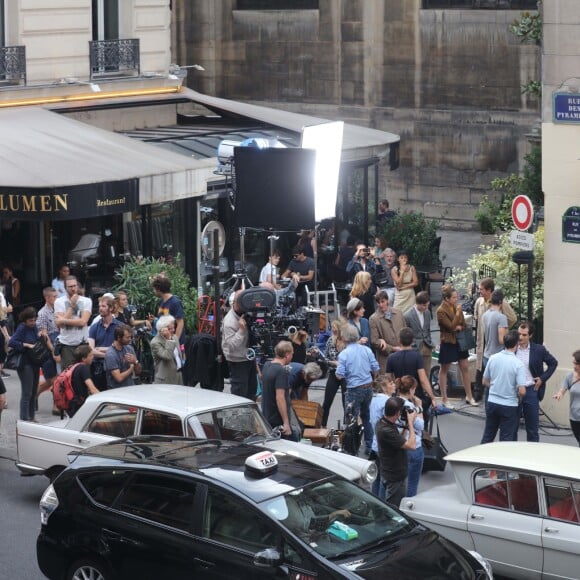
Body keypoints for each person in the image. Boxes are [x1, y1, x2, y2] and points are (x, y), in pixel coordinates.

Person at [335, 323, 380, 455]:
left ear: (344, 338)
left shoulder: (344, 354)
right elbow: (376, 368)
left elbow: (339, 375)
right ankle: (370, 445)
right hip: (368, 387)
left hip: (354, 389)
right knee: (367, 417)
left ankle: (352, 449)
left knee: (351, 420)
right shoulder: (366, 350)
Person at [385, 327, 438, 429]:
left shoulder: (392, 358)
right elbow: (423, 380)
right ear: (413, 340)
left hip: (399, 396)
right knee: (420, 424)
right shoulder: (417, 356)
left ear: (399, 340)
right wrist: (432, 397)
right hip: (416, 395)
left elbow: (388, 379)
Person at [473, 277, 517, 399]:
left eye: (481, 289)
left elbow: (512, 318)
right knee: (480, 365)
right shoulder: (479, 302)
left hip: (495, 344)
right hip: (483, 340)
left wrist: (502, 327)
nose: (479, 291)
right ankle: (478, 392)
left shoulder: (503, 304)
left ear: (489, 290)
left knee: (489, 372)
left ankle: (484, 395)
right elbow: (477, 317)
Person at [481, 330, 527, 443]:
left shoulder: (493, 358)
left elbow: (484, 381)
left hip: (492, 402)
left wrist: (494, 386)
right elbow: (522, 391)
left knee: (488, 435)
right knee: (506, 439)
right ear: (516, 344)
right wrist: (518, 398)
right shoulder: (518, 364)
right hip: (509, 405)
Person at [516, 320, 558, 442]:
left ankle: (533, 454)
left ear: (530, 336)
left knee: (532, 429)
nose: (520, 337)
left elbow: (553, 363)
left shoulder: (538, 350)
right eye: (519, 334)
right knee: (512, 427)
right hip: (515, 390)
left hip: (531, 390)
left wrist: (542, 378)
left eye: (524, 335)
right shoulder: (512, 348)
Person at [436, 284, 477, 408]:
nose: (456, 299)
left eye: (456, 297)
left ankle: (469, 396)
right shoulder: (441, 311)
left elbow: (463, 324)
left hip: (459, 341)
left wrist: (459, 324)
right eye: (454, 297)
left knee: (464, 366)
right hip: (448, 341)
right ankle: (444, 398)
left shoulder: (455, 307)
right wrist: (458, 314)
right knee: (444, 369)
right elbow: (451, 326)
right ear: (446, 299)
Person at [375, 396, 417, 507]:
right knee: (394, 509)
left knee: (386, 506)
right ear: (398, 413)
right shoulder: (386, 430)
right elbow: (412, 446)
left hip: (388, 472)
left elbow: (398, 441)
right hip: (394, 477)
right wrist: (411, 424)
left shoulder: (382, 422)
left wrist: (406, 425)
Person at [9, 307, 46, 422]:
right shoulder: (22, 328)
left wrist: (40, 335)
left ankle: (32, 416)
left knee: (33, 391)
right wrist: (26, 345)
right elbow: (12, 342)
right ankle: (24, 419)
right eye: (30, 320)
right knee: (27, 392)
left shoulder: (33, 327)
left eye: (34, 320)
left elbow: (35, 339)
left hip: (34, 362)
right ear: (25, 320)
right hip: (25, 364)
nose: (33, 323)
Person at [221, 290, 257, 400]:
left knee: (251, 391)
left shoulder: (245, 313)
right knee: (240, 394)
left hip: (248, 357)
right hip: (237, 361)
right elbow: (231, 345)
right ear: (237, 303)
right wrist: (241, 331)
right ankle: (238, 416)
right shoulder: (230, 321)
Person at [260, 340, 299, 441]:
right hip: (277, 421)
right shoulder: (281, 371)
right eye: (291, 354)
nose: (292, 356)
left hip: (267, 417)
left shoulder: (267, 365)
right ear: (286, 354)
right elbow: (280, 398)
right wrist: (286, 423)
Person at [54, 275, 92, 370]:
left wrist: (63, 319)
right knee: (68, 374)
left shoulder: (86, 301)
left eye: (75, 286)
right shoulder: (59, 302)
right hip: (67, 344)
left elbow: (83, 321)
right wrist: (71, 306)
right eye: (70, 286)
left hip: (82, 343)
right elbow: (61, 325)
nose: (73, 289)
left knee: (84, 373)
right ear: (65, 287)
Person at [397, 376, 424, 497]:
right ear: (412, 390)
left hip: (399, 443)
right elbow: (420, 425)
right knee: (412, 482)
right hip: (413, 446)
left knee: (399, 481)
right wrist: (420, 408)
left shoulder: (393, 402)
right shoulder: (410, 406)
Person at [369, 375, 396, 498]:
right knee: (384, 480)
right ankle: (380, 504)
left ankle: (374, 500)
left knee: (378, 476)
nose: (394, 385)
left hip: (376, 442)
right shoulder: (387, 402)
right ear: (384, 388)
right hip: (385, 444)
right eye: (391, 384)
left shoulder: (374, 400)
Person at [35, 287, 59, 412]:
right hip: (47, 349)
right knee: (52, 379)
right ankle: (55, 405)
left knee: (55, 378)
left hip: (58, 345)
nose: (56, 298)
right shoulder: (42, 313)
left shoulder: (58, 309)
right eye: (54, 296)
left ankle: (36, 394)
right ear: (47, 298)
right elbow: (44, 335)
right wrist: (52, 350)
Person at [369, 290, 406, 371]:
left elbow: (405, 332)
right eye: (378, 302)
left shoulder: (398, 313)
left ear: (387, 300)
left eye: (383, 301)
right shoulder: (373, 319)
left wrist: (405, 346)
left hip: (402, 354)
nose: (381, 305)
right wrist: (392, 348)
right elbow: (374, 341)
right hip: (386, 359)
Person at [88, 295, 120, 390]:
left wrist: (101, 349)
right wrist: (111, 352)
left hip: (116, 366)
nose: (100, 309)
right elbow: (91, 350)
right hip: (99, 368)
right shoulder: (94, 327)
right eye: (99, 306)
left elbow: (120, 348)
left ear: (111, 308)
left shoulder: (119, 326)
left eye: (103, 306)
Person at [321, 319, 347, 427]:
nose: (333, 330)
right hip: (333, 373)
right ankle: (322, 425)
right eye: (332, 327)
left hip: (346, 375)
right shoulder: (330, 341)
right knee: (327, 402)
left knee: (345, 403)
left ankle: (347, 427)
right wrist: (333, 363)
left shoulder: (347, 341)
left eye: (335, 327)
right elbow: (325, 359)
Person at [553, 350, 580, 446]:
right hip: (574, 417)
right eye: (573, 363)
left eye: (576, 364)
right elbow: (563, 388)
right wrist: (559, 394)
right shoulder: (570, 376)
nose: (574, 366)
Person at [404, 291, 434, 375]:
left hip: (427, 346)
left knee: (427, 373)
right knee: (415, 374)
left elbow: (428, 329)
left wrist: (430, 342)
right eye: (424, 305)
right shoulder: (408, 316)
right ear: (418, 303)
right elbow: (406, 334)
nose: (426, 307)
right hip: (415, 348)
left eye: (428, 305)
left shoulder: (427, 313)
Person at [67, 345, 100, 418]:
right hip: (79, 406)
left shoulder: (72, 366)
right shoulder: (83, 368)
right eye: (90, 355)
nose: (93, 357)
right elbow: (92, 389)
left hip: (72, 405)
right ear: (83, 358)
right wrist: (104, 399)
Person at [104, 324, 141, 389]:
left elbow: (138, 372)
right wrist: (131, 368)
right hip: (116, 391)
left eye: (130, 337)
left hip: (130, 387)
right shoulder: (111, 354)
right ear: (119, 337)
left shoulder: (129, 348)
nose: (130, 339)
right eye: (127, 337)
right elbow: (119, 378)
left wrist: (135, 362)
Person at [152, 275, 185, 344]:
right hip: (164, 341)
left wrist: (175, 341)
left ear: (158, 289)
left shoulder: (175, 302)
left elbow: (180, 323)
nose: (153, 291)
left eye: (154, 289)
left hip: (173, 342)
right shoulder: (161, 301)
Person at [150, 315, 182, 384]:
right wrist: (169, 340)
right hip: (165, 380)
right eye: (170, 329)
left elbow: (178, 356)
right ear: (162, 330)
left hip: (178, 376)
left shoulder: (175, 337)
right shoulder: (155, 342)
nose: (173, 330)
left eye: (174, 327)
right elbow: (167, 356)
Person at [482, 290, 509, 370]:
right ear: (501, 302)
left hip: (486, 355)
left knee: (488, 382)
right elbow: (501, 340)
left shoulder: (485, 315)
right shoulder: (501, 317)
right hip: (497, 357)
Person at [392, 250, 418, 314]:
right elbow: (399, 284)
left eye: (405, 257)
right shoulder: (394, 270)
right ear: (398, 259)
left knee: (411, 314)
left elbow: (415, 282)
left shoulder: (412, 268)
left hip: (410, 295)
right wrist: (402, 272)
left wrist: (404, 287)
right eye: (402, 258)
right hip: (400, 296)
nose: (404, 259)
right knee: (396, 313)